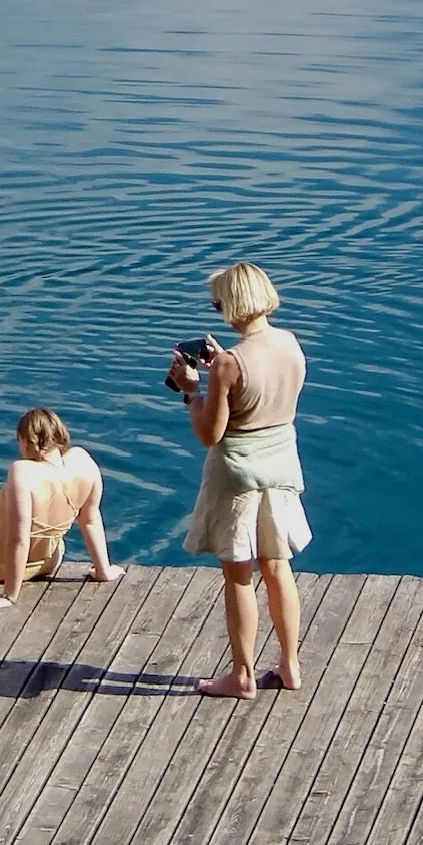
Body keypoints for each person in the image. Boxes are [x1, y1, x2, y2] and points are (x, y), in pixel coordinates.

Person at [167, 261, 310, 699]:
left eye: (217, 304)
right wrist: (219, 375)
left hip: (238, 477)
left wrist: (192, 391)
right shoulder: (290, 344)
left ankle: (242, 676)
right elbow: (262, 397)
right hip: (281, 467)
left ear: (231, 305)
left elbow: (210, 433)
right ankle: (290, 665)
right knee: (277, 567)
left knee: (239, 575)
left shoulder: (229, 364)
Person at [0, 408, 125, 610]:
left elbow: (18, 539)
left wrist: (10, 596)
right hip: (48, 562)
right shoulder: (84, 461)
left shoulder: (23, 471)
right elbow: (90, 520)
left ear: (27, 441)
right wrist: (103, 571)